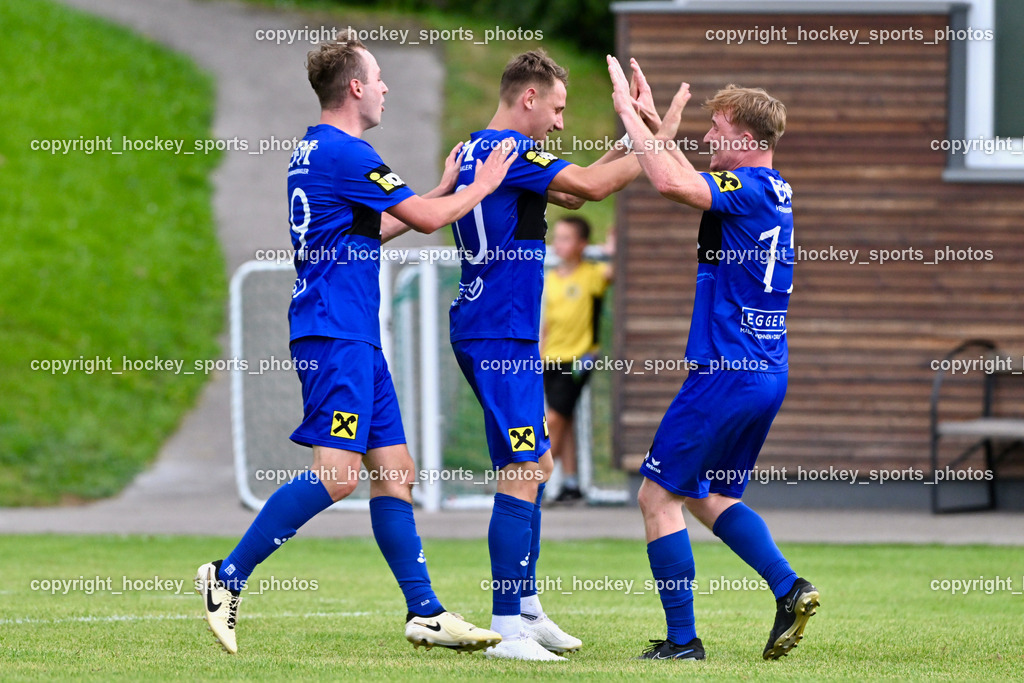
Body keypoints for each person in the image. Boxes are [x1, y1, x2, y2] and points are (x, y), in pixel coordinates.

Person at [194, 33, 518, 656]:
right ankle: (227, 576)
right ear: (355, 87)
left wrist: (444, 188)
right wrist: (481, 186)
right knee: (339, 476)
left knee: (396, 472)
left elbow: (378, 230)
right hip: (333, 331)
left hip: (353, 335)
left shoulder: (316, 151)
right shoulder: (348, 151)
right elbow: (424, 220)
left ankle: (424, 612)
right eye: (379, 76)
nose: (387, 87)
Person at [448, 49, 681, 661]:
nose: (557, 124)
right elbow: (598, 188)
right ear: (528, 98)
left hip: (495, 327)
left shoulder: (483, 146)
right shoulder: (514, 151)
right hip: (501, 331)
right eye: (555, 109)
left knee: (537, 464)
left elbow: (575, 194)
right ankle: (508, 625)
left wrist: (640, 135)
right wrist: (655, 136)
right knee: (525, 471)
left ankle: (524, 606)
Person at [606, 56, 819, 661]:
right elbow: (689, 175)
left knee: (655, 496)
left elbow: (674, 184)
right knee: (709, 494)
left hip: (725, 372)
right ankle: (789, 587)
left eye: (718, 130)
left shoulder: (745, 189)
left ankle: (682, 642)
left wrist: (626, 114)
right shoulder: (769, 189)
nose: (706, 139)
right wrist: (651, 122)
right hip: (764, 372)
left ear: (747, 140)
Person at [541, 216, 613, 503]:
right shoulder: (549, 279)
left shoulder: (592, 274)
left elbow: (619, 270)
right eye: (556, 237)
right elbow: (546, 324)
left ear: (582, 244)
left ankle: (537, 481)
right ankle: (571, 484)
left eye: (566, 238)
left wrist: (611, 249)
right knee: (565, 418)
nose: (559, 243)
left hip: (578, 360)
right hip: (550, 359)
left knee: (555, 418)